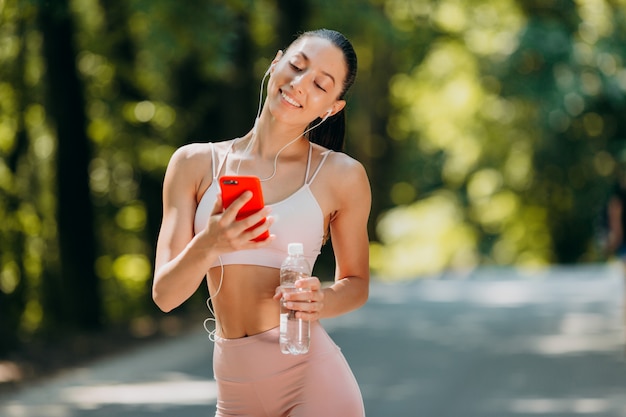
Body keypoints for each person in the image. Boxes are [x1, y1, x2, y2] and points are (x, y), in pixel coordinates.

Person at [152, 28, 370, 417]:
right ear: (275, 63)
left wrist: (322, 299)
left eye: (321, 84)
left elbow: (356, 284)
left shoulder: (341, 174)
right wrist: (210, 243)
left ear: (331, 108)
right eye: (297, 66)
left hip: (312, 381)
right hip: (235, 390)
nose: (300, 85)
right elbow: (166, 296)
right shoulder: (194, 164)